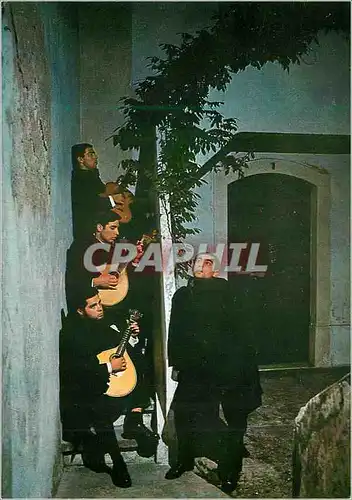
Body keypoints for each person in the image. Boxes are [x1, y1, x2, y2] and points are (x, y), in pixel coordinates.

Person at [65, 203, 158, 457]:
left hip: (117, 313)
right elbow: (72, 280)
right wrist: (97, 281)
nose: (117, 232)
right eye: (112, 227)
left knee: (141, 359)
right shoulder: (81, 248)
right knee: (112, 362)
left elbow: (124, 276)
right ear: (98, 228)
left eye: (118, 228)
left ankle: (135, 418)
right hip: (93, 316)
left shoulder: (115, 248)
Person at [165, 253, 263, 494]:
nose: (200, 265)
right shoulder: (183, 296)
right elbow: (175, 330)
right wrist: (177, 363)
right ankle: (184, 459)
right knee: (184, 411)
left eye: (207, 262)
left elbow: (245, 331)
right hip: (195, 367)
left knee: (235, 416)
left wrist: (244, 367)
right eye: (197, 261)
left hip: (228, 366)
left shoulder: (230, 293)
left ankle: (231, 470)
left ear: (216, 271)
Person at [60, 285, 149, 487]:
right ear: (80, 310)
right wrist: (110, 366)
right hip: (88, 394)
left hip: (112, 386)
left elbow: (118, 346)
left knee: (141, 363)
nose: (100, 308)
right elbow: (76, 372)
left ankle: (134, 419)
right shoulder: (70, 334)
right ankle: (118, 464)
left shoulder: (101, 321)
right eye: (93, 306)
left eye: (100, 302)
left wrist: (132, 335)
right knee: (100, 411)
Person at [71, 143, 107, 240]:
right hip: (88, 231)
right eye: (91, 154)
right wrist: (112, 199)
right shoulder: (81, 179)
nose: (95, 157)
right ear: (80, 159)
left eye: (94, 154)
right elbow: (93, 201)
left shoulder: (92, 176)